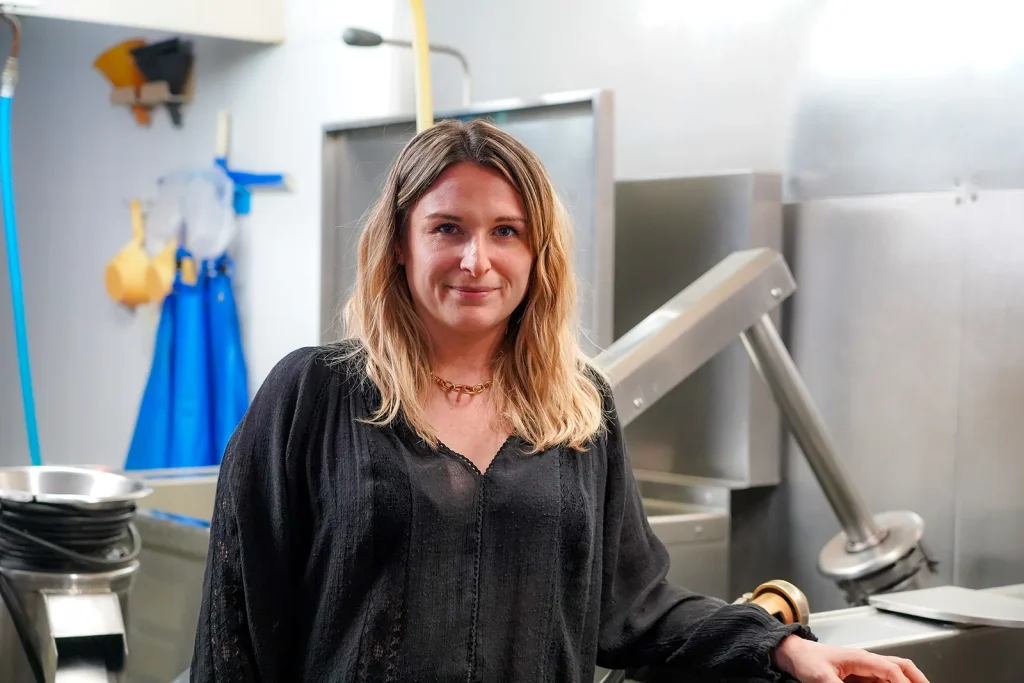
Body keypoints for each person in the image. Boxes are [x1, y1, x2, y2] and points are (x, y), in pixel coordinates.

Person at [190, 119, 931, 683]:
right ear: (400, 247)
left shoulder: (576, 410)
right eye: (448, 227)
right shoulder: (313, 395)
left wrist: (787, 647)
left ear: (536, 255)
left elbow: (634, 606)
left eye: (505, 232)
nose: (476, 259)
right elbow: (234, 621)